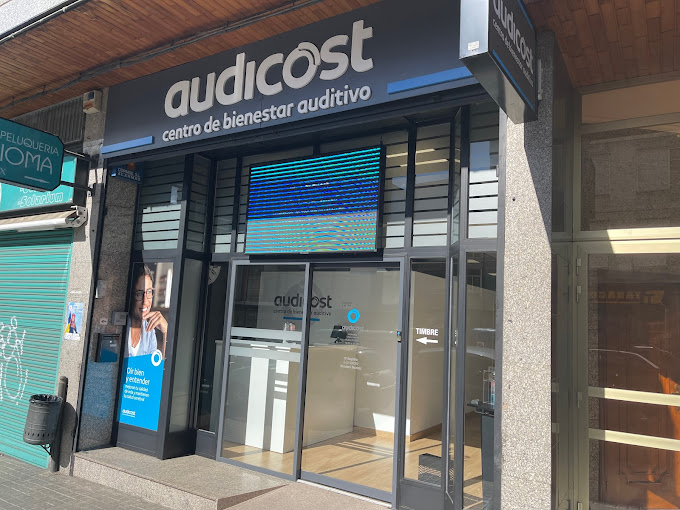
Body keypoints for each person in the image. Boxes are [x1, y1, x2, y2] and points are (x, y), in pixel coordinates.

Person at [126, 264, 168, 358]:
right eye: (139, 294)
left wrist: (166, 332)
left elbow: (157, 367)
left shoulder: (149, 331)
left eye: (149, 292)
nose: (145, 301)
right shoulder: (120, 326)